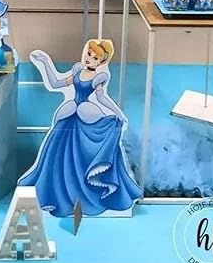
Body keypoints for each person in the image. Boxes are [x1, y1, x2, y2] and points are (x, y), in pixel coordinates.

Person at [18, 41, 141, 217]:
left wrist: (118, 113)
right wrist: (44, 62)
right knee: (56, 155)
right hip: (68, 117)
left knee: (82, 155)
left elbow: (102, 98)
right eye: (89, 54)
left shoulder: (99, 77)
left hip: (85, 116)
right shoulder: (77, 70)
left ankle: (86, 195)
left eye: (95, 57)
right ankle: (58, 193)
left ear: (101, 62)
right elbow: (55, 83)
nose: (90, 58)